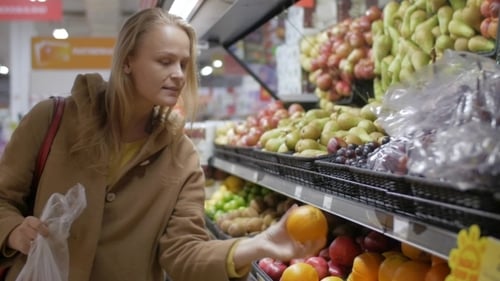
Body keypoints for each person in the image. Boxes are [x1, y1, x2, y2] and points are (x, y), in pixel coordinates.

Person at [0, 7, 325, 281]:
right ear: (127, 61)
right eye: (165, 61)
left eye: (183, 64)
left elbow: (182, 250)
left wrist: (259, 245)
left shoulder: (180, 156)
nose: (179, 74)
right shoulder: (51, 120)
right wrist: (13, 230)